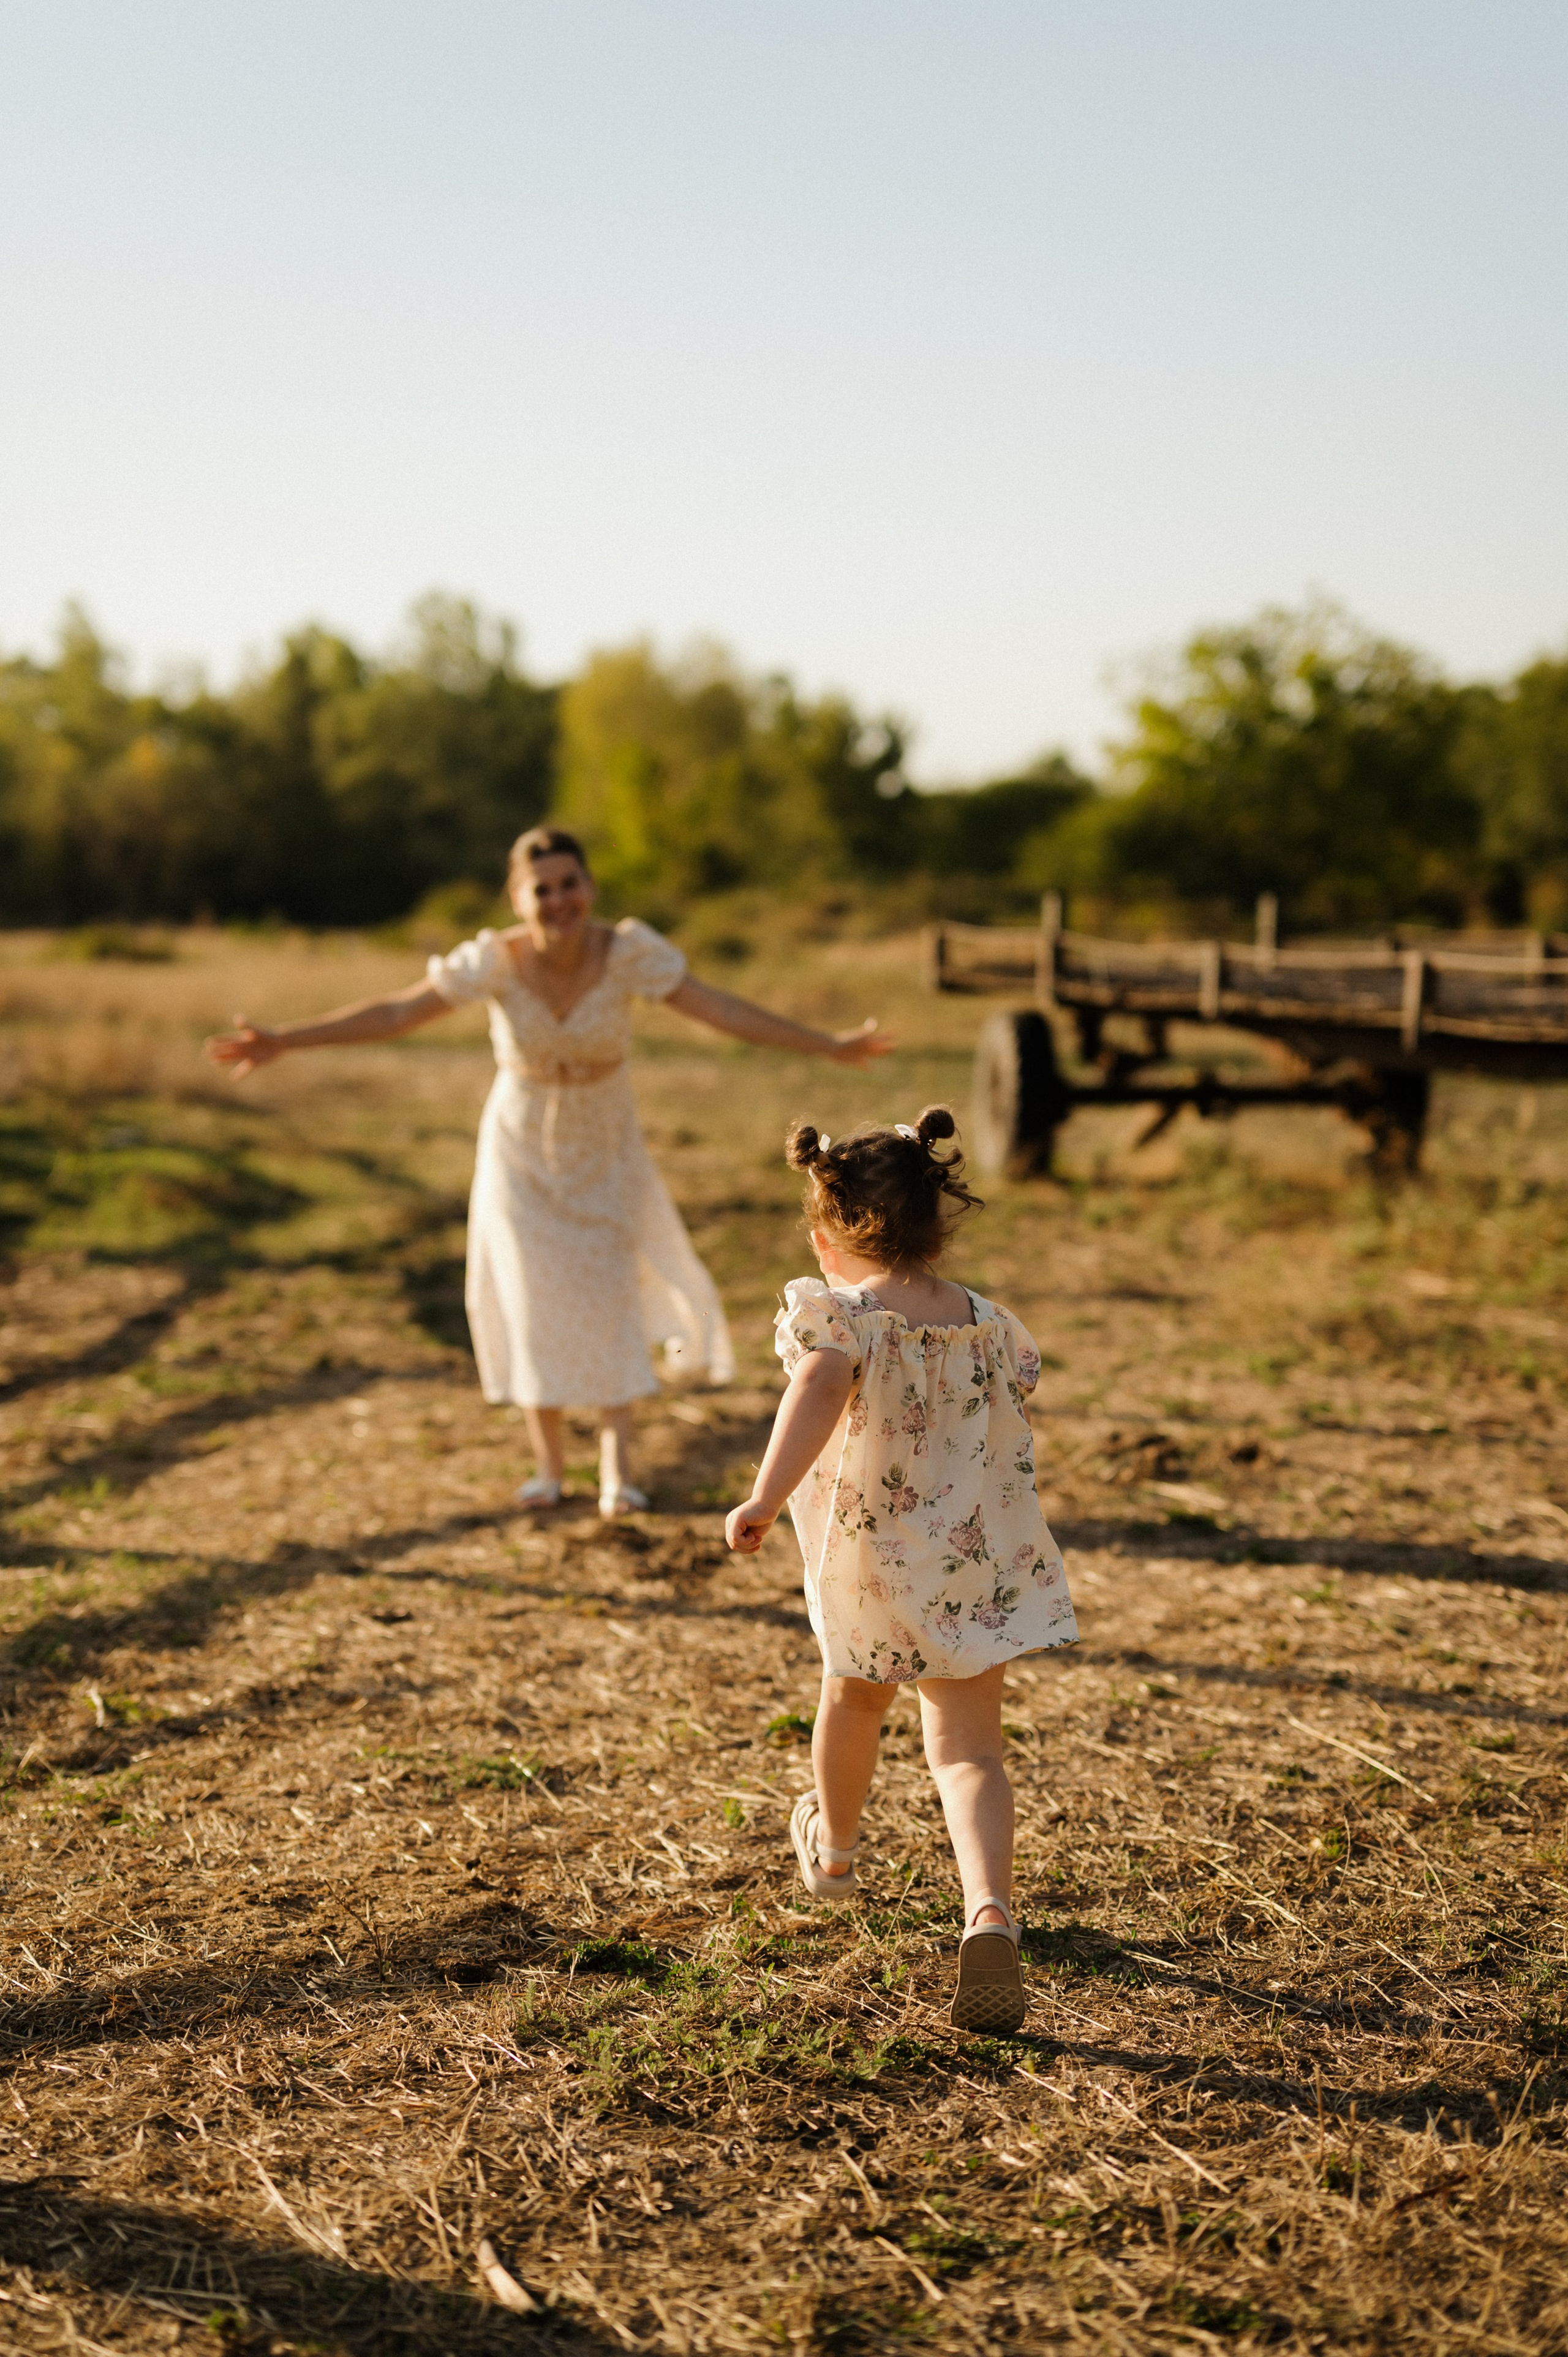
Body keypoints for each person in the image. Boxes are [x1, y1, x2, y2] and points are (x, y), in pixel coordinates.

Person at [205, 826, 892, 1516]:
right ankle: (548, 1466)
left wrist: (828, 1045)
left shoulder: (627, 953)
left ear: (589, 887)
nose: (558, 900)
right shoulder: (493, 961)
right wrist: (285, 1039)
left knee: (608, 1285)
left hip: (605, 1140)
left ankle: (617, 1468)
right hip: (519, 1147)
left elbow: (723, 1009)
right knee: (530, 1289)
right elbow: (395, 1012)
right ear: (517, 897)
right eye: (542, 889)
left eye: (570, 884)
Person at [725, 1107, 1077, 2032]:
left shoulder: (839, 1320)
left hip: (874, 1559)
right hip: (977, 1561)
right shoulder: (993, 1325)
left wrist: (763, 1500)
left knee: (854, 1698)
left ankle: (833, 1854)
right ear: (938, 1220)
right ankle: (988, 1911)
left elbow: (814, 1387)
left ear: (828, 1234)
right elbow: (1020, 1387)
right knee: (969, 1750)